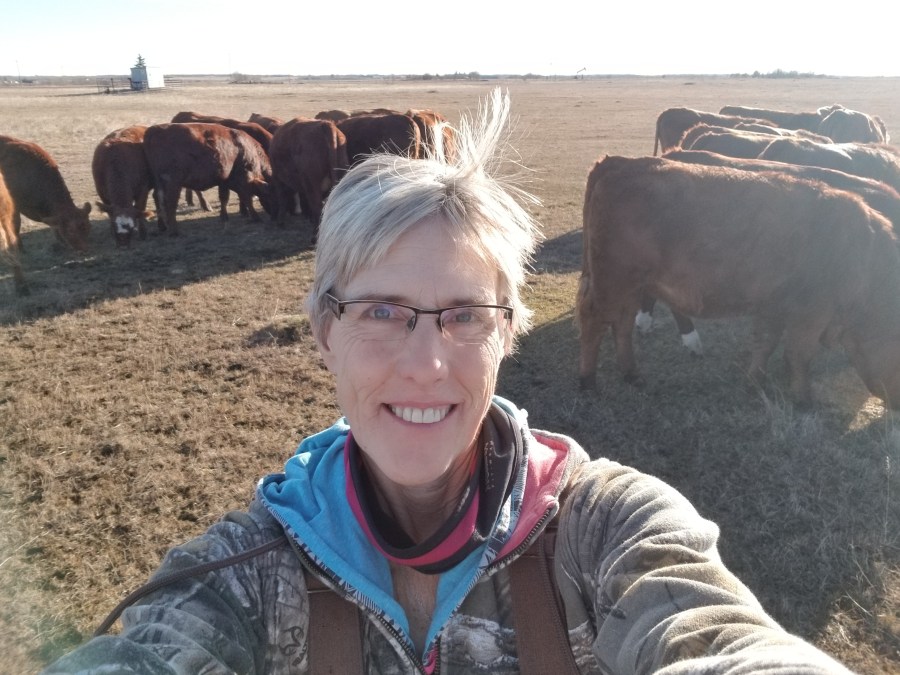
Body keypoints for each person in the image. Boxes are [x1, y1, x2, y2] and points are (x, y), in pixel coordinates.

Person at [43, 89, 852, 674]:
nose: (427, 362)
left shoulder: (608, 527)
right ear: (323, 330)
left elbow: (718, 637)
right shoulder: (242, 572)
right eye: (382, 311)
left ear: (509, 331)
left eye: (465, 314)